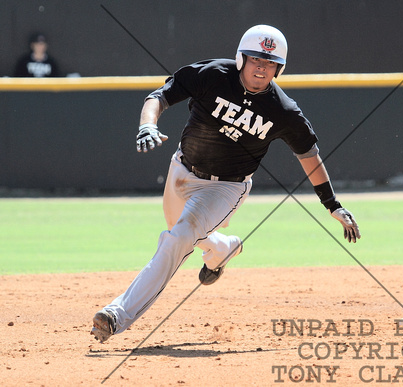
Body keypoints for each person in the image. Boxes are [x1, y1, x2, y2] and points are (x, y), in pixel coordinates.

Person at [90, 25, 361, 343]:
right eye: (256, 59)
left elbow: (309, 156)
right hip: (182, 170)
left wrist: (333, 205)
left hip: (225, 188)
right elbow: (160, 97)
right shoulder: (212, 74)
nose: (262, 67)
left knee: (176, 240)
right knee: (184, 234)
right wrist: (147, 124)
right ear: (241, 59)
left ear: (279, 69)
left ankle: (116, 315)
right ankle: (223, 248)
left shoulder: (283, 111)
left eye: (270, 63)